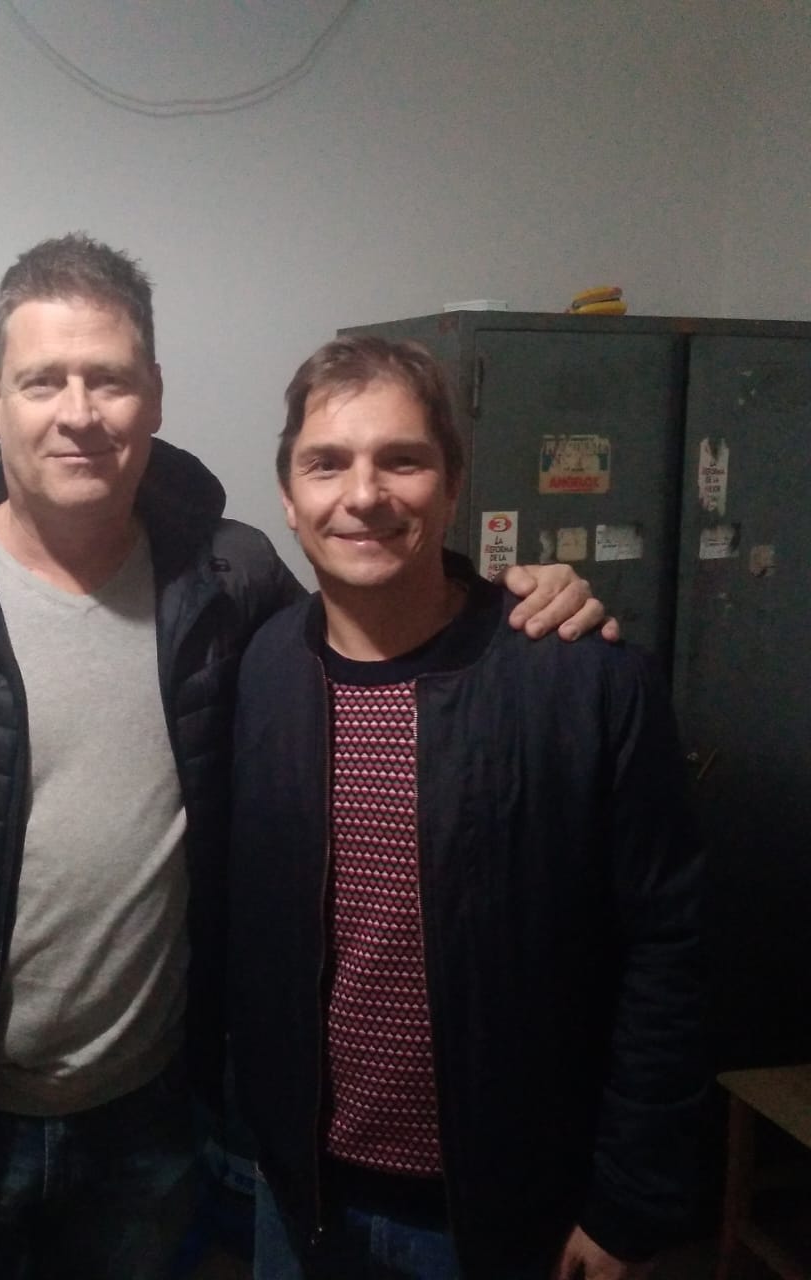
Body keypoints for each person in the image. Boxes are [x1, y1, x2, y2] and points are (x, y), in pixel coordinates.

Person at [0, 235, 610, 1280]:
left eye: (108, 378)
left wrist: (508, 596)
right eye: (43, 380)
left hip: (148, 1122)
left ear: (153, 395)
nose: (78, 411)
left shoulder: (229, 578)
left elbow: (368, 622)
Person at [226, 336, 706, 1280]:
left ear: (453, 486)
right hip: (299, 1198)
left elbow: (670, 951)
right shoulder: (265, 667)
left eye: (402, 460)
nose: (364, 494)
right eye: (327, 463)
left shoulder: (585, 681)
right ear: (288, 495)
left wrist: (631, 1203)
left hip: (506, 1215)